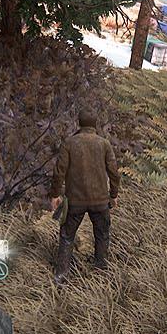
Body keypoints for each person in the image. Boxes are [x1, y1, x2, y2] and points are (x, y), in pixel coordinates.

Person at [49, 111, 120, 285]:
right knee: (102, 235)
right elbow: (114, 172)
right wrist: (113, 195)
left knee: (67, 237)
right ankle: (101, 275)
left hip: (75, 201)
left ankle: (61, 278)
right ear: (95, 124)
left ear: (79, 123)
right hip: (100, 201)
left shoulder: (69, 143)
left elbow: (59, 172)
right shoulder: (104, 144)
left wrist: (55, 194)